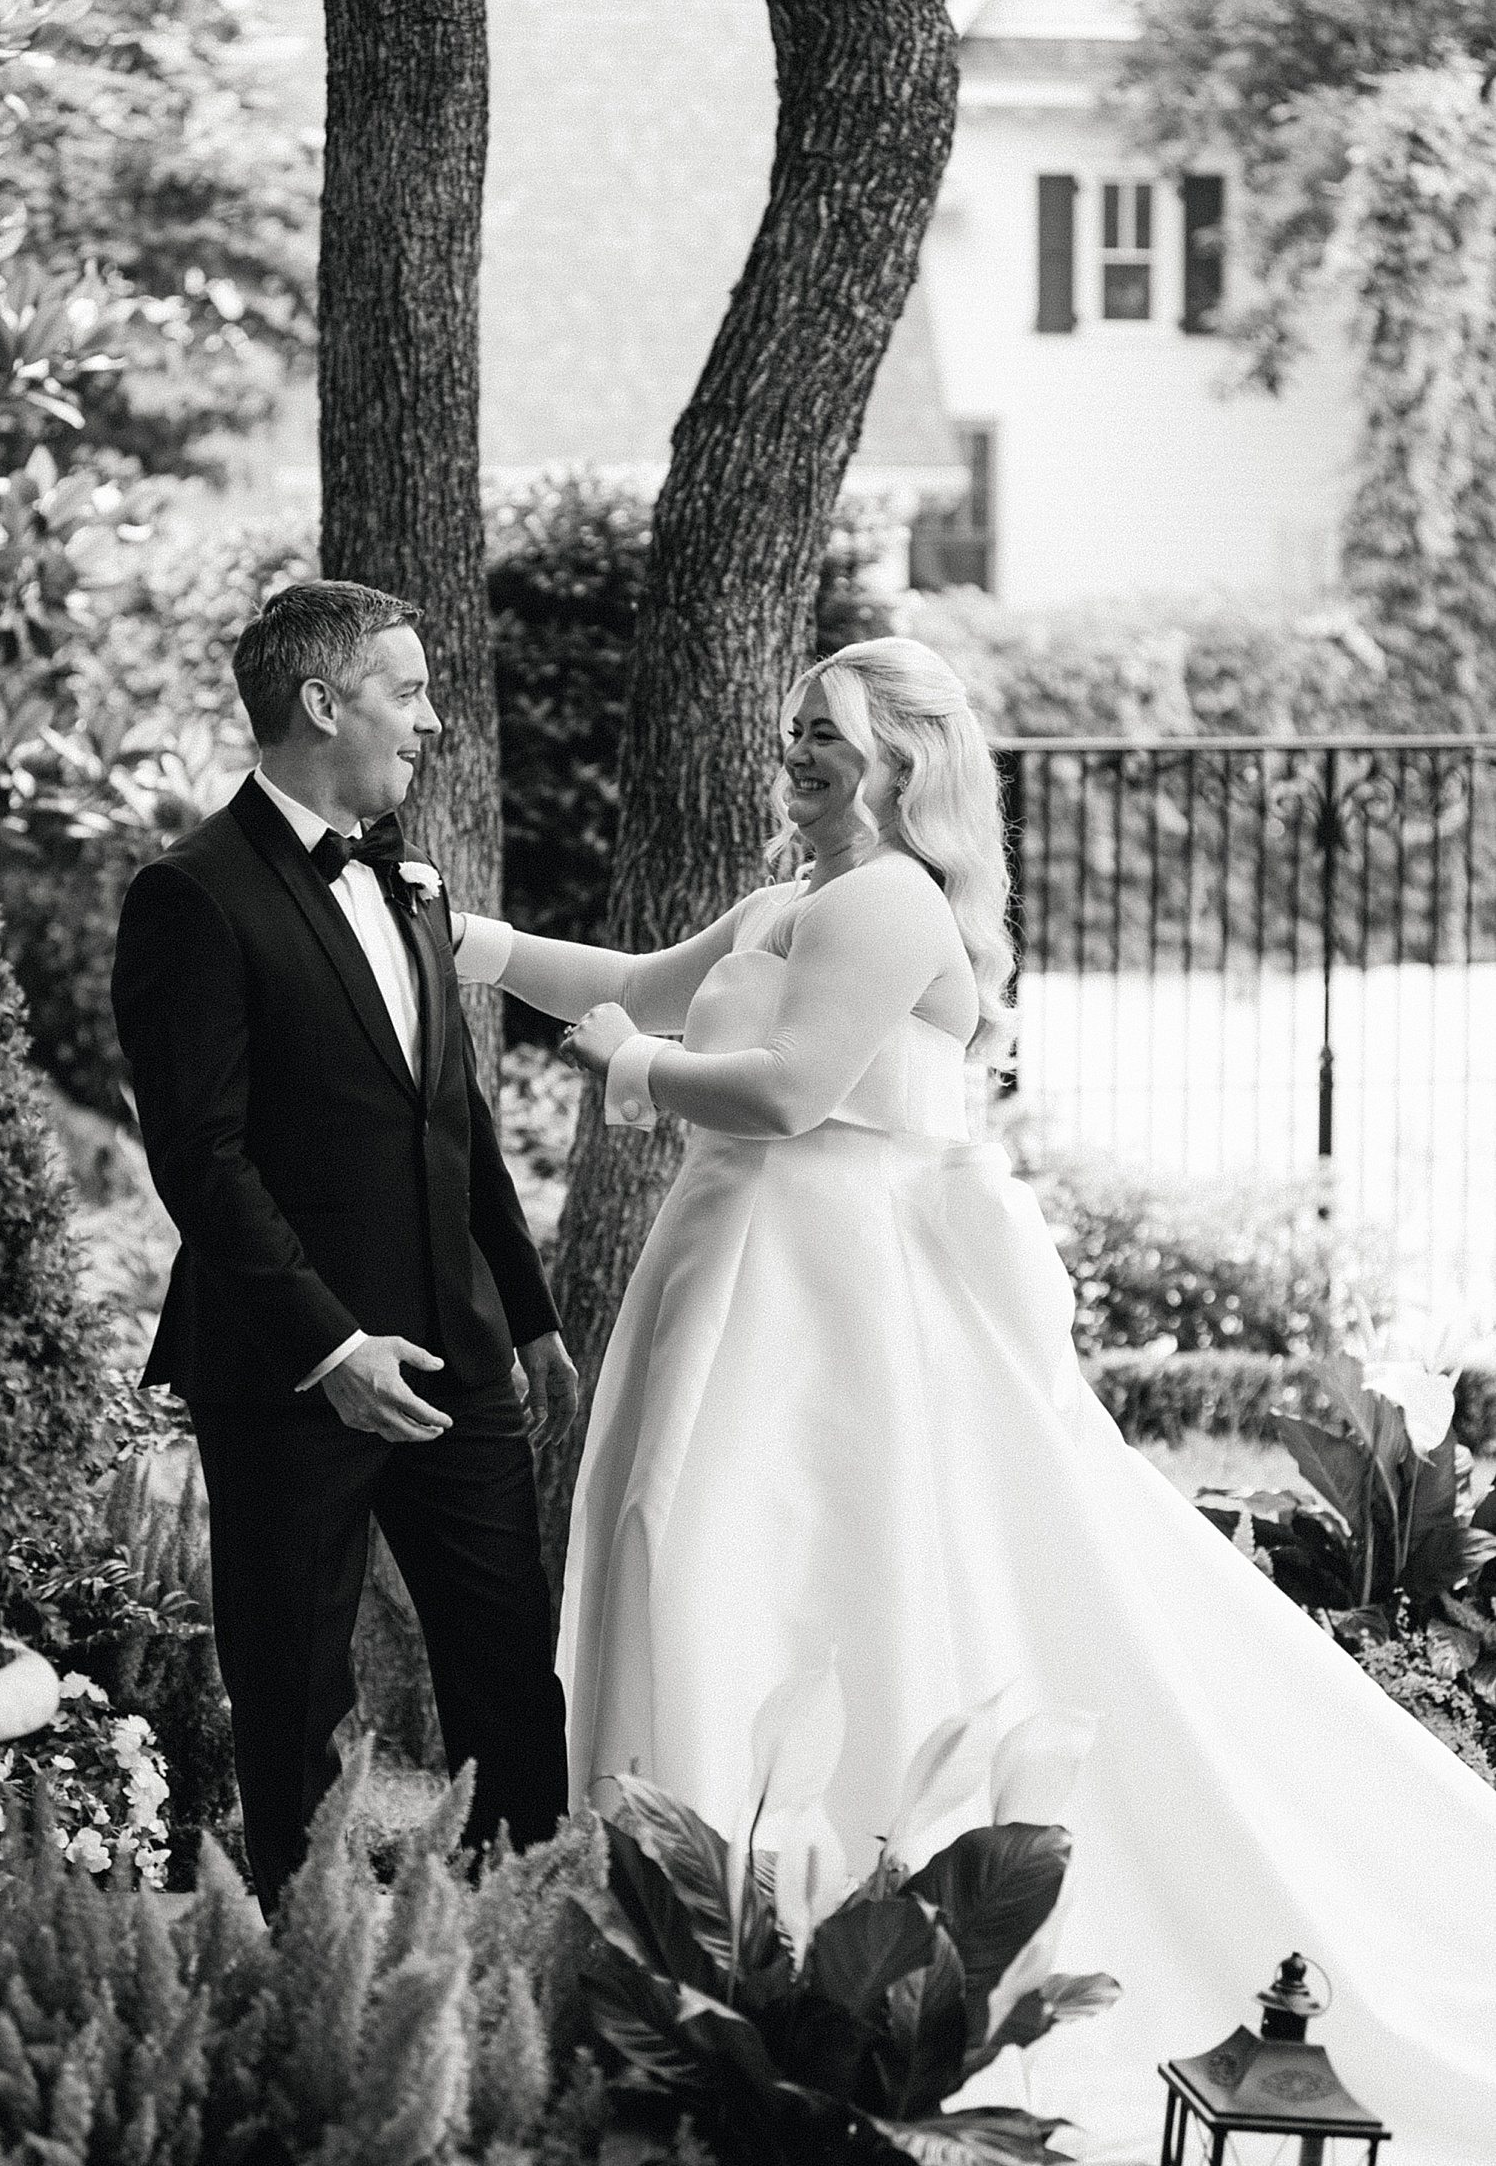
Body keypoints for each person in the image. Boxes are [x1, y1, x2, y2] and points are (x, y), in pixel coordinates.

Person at [453, 636, 1496, 2164]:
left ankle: (768, 1962)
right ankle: (688, 1957)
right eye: (795, 724)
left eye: (832, 731)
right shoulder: (794, 898)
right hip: (732, 1263)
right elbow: (626, 982)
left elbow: (789, 1089)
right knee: (687, 1545)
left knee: (761, 1564)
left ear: (901, 757)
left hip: (816, 1298)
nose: (798, 749)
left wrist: (631, 1072)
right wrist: (463, 939)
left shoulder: (886, 900)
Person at [111, 579, 576, 1917]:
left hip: (459, 1353)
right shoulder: (190, 895)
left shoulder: (414, 887)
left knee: (506, 1670)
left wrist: (531, 1318)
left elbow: (457, 1119)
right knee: (297, 1687)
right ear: (323, 703)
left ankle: (516, 1954)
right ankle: (312, 1990)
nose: (432, 722)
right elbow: (200, 1158)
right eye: (409, 690)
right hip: (292, 1370)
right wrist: (329, 1343)